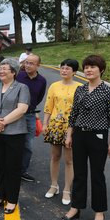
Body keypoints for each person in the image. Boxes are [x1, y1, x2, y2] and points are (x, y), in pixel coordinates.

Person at [62, 55, 110, 220]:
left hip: (98, 136)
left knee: (97, 174)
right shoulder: (80, 89)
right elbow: (74, 114)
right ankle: (75, 207)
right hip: (79, 135)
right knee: (79, 172)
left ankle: (99, 212)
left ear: (101, 70)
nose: (88, 70)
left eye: (93, 67)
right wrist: (69, 135)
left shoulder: (109, 92)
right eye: (86, 67)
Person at [0, 58, 30, 214]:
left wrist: (2, 122)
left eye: (4, 68)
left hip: (15, 133)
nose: (0, 71)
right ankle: (1, 195)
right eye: (0, 68)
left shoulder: (21, 88)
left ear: (13, 72)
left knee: (13, 167)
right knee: (1, 165)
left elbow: (22, 109)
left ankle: (12, 199)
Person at [41, 59, 82, 205]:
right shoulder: (54, 86)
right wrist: (45, 124)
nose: (64, 70)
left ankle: (66, 189)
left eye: (68, 68)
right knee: (55, 156)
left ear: (75, 72)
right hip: (55, 126)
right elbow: (48, 106)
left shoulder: (80, 87)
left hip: (72, 128)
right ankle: (54, 186)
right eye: (62, 68)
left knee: (69, 160)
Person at [16, 54, 47, 182]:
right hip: (16, 115)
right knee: (15, 143)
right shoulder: (18, 76)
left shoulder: (42, 81)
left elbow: (39, 97)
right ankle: (12, 169)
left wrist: (32, 108)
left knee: (28, 145)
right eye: (26, 63)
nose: (27, 65)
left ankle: (22, 171)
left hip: (30, 116)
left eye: (31, 63)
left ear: (38, 66)